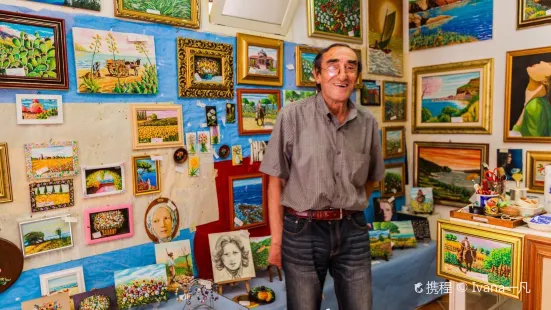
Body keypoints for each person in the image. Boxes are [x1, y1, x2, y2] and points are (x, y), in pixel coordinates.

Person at [259, 43, 385, 310]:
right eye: (333, 66)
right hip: (303, 232)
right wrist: (277, 239)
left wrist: (355, 203)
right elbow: (275, 181)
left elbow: (373, 177)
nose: (342, 74)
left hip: (353, 231)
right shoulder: (292, 116)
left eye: (350, 67)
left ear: (357, 77)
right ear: (317, 75)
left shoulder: (367, 123)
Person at [512, 61, 551, 137]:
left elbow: (532, 139)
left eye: (549, 64)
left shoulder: (536, 105)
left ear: (545, 81)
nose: (541, 62)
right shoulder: (537, 102)